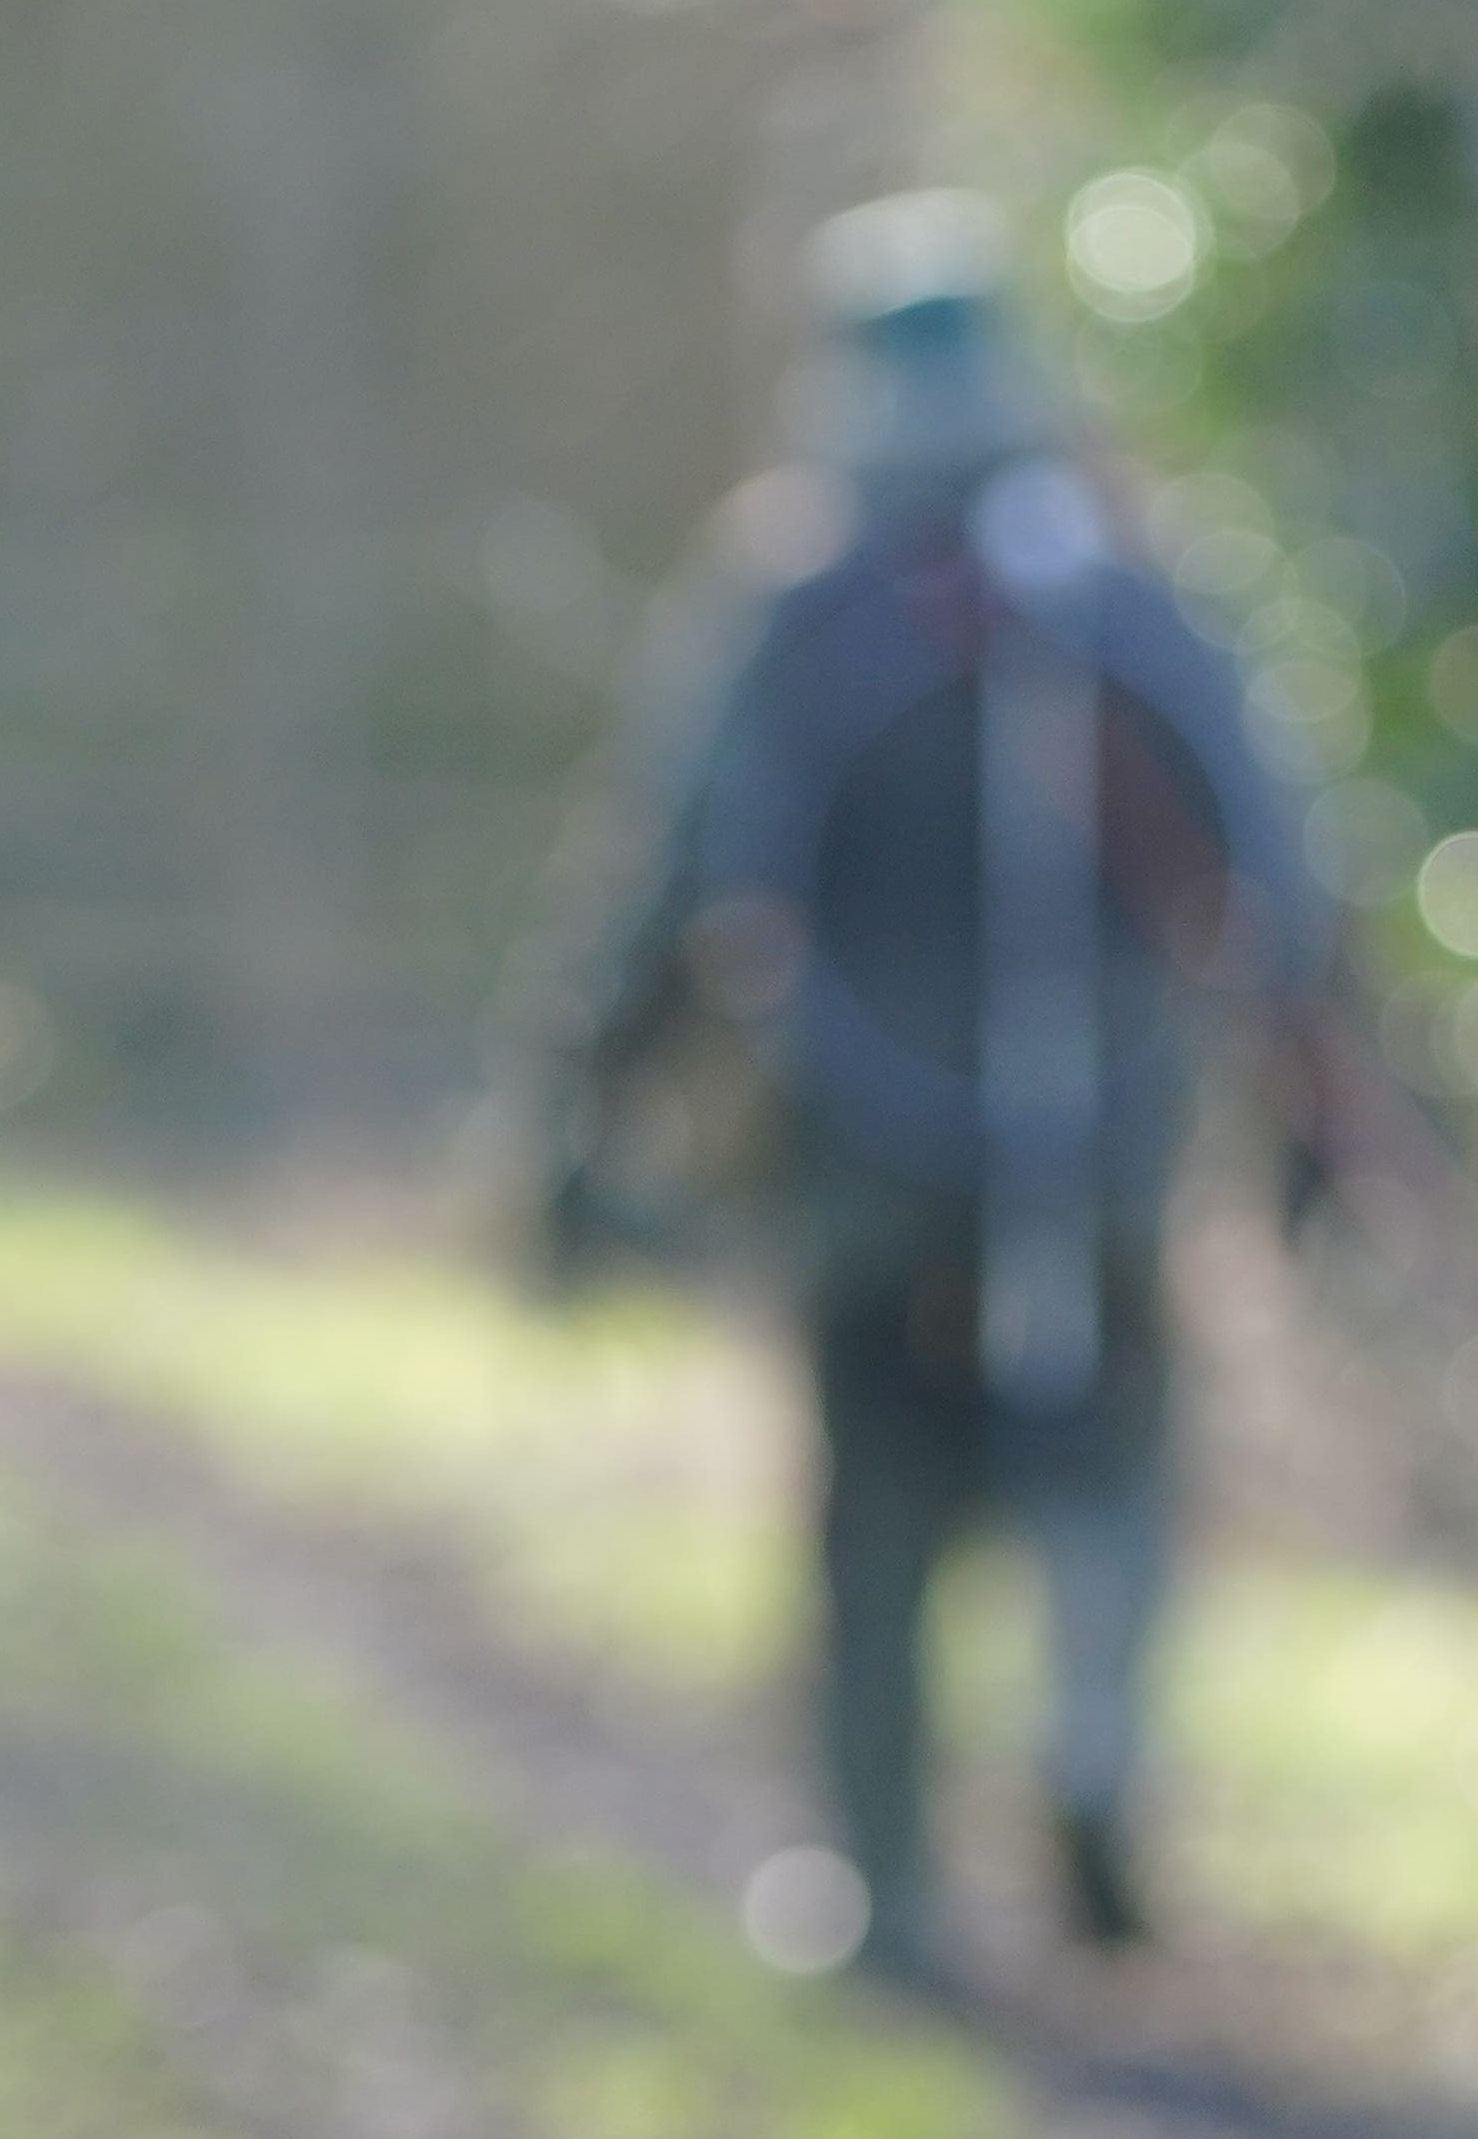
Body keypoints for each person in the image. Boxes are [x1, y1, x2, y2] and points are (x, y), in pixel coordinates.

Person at [540, 192, 1405, 1986]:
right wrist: (1313, 1118)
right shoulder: (1127, 588)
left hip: (860, 1155)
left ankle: (887, 1891)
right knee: (1111, 1469)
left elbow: (679, 877)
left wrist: (583, 1113)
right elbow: (1274, 870)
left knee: (879, 1525)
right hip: (1100, 1144)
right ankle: (1092, 1750)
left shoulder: (791, 596)